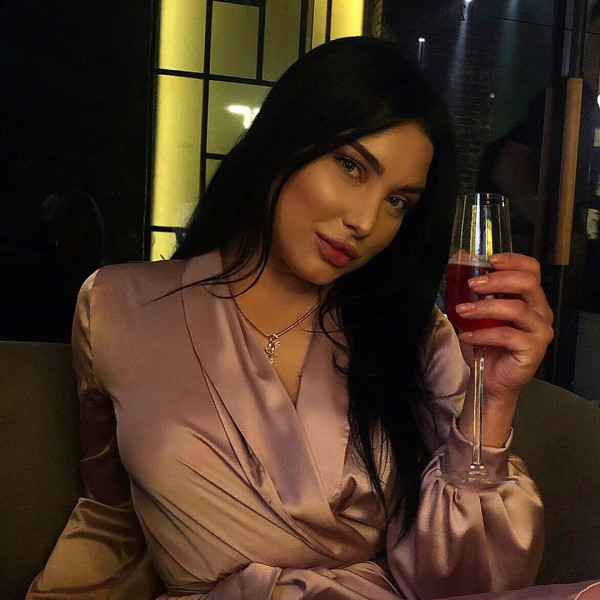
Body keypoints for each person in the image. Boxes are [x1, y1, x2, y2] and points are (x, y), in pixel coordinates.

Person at [27, 37, 598, 600]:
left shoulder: (415, 335)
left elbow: (470, 586)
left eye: (398, 201)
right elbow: (111, 517)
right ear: (284, 139)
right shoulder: (116, 307)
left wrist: (490, 402)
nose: (365, 221)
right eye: (351, 165)